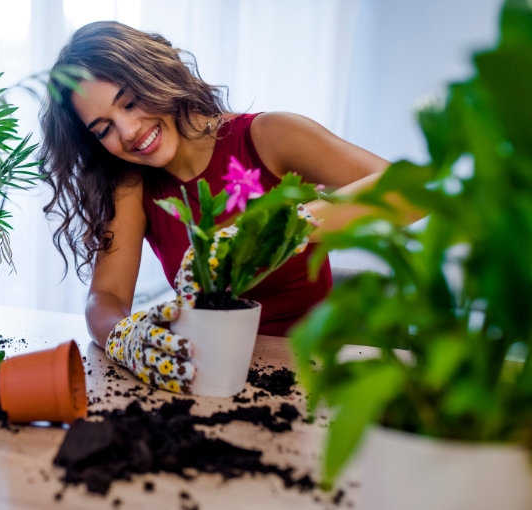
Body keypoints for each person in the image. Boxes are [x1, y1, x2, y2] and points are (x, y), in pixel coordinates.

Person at [39, 21, 392, 394]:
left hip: (311, 374)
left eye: (129, 102)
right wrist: (123, 336)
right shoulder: (133, 184)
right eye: (103, 129)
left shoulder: (270, 136)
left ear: (157, 74)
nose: (128, 131)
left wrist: (281, 229)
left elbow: (409, 187)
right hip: (213, 376)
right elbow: (105, 297)